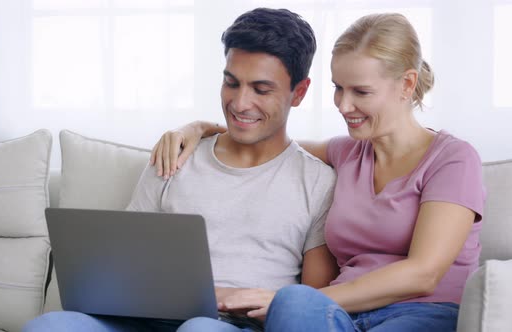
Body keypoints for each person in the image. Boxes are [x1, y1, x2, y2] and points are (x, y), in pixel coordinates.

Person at [152, 13, 485, 332]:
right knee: (294, 305)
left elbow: (423, 274)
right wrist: (197, 128)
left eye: (361, 92)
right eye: (339, 87)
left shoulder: (453, 160)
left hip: (420, 314)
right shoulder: (346, 153)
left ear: (407, 84)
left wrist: (290, 301)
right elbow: (266, 138)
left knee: (294, 302)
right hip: (340, 318)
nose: (343, 105)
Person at [22, 8, 338, 332]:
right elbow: (122, 263)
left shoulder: (317, 182)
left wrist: (236, 300)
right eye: (231, 83)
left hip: (232, 326)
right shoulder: (175, 156)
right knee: (47, 326)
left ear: (298, 92)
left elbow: (312, 303)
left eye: (261, 89)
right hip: (142, 320)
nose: (240, 103)